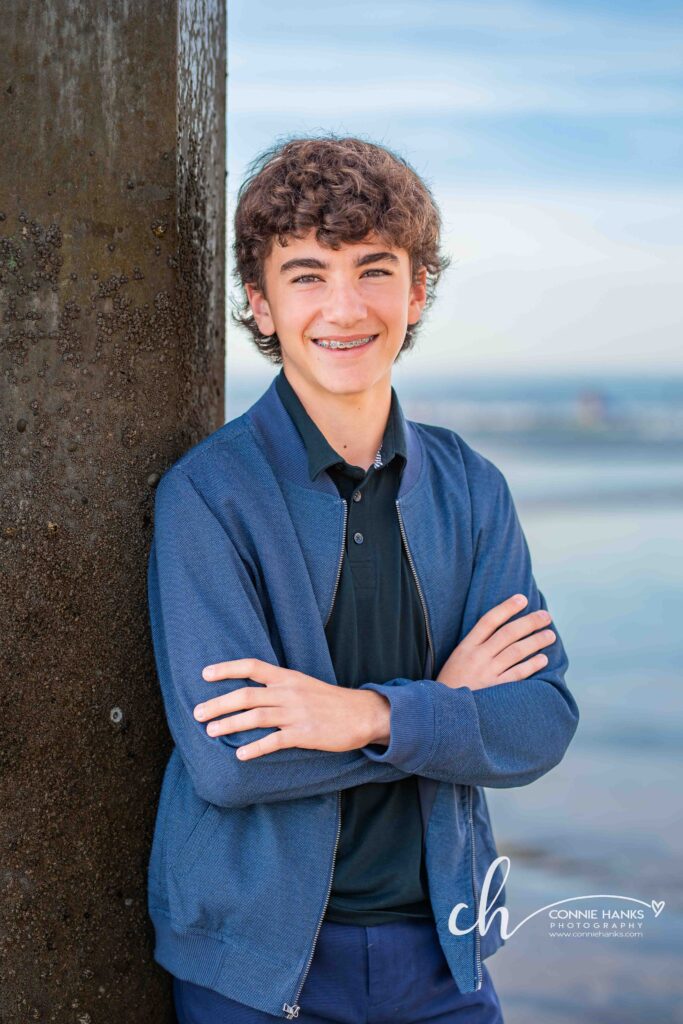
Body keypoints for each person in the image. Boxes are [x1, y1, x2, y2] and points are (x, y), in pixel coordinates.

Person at [146, 135, 580, 1023]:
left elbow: (539, 722)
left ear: (417, 290)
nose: (343, 308)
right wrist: (441, 709)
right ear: (260, 304)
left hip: (445, 954)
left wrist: (365, 715)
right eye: (305, 274)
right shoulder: (209, 495)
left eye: (373, 270)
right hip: (259, 969)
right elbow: (230, 765)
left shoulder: (470, 488)